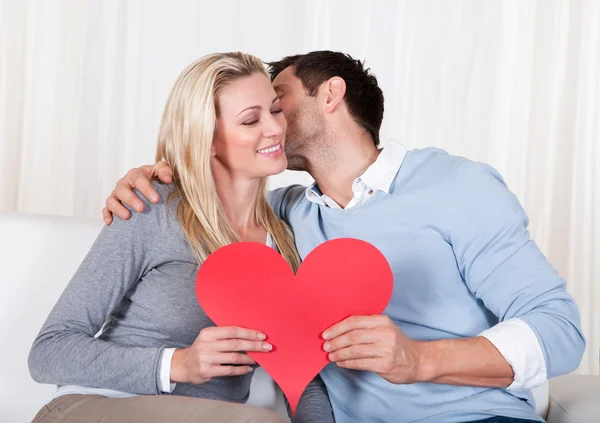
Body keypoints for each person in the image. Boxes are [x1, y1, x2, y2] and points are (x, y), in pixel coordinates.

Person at [103, 51, 586, 423]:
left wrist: (419, 360)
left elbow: (560, 332)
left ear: (330, 94)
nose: (270, 121)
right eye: (255, 114)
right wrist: (154, 178)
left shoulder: (457, 185)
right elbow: (213, 200)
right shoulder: (284, 217)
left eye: (278, 101)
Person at [28, 52, 334, 423]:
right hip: (94, 406)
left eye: (275, 110)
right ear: (207, 140)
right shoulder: (151, 208)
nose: (274, 129)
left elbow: (301, 372)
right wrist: (177, 363)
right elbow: (48, 352)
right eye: (251, 120)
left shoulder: (284, 240)